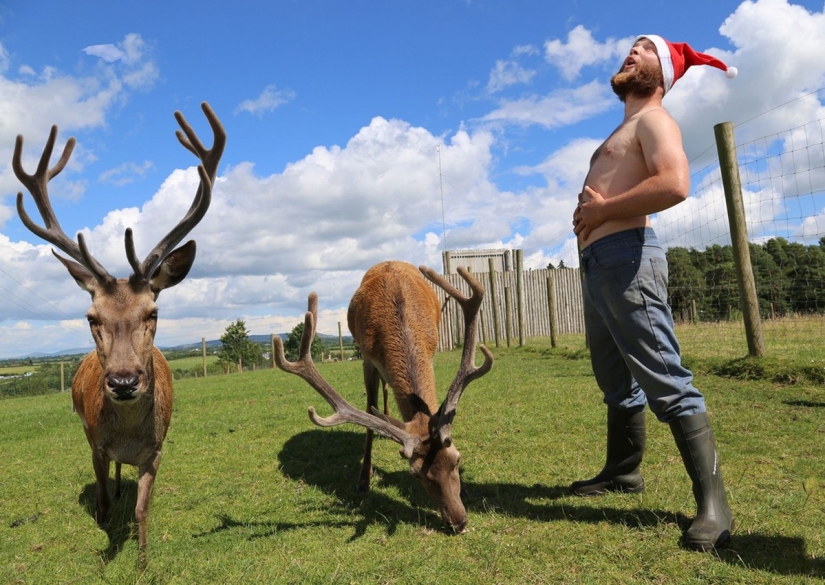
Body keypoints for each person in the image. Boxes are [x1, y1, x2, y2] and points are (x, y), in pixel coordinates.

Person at [570, 34, 737, 552]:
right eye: (629, 47)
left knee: (666, 377)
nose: (630, 52)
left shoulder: (655, 120)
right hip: (598, 264)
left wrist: (599, 212)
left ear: (661, 72)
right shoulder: (625, 126)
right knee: (616, 378)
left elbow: (675, 183)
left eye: (642, 49)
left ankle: (715, 505)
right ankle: (623, 473)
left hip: (628, 259)